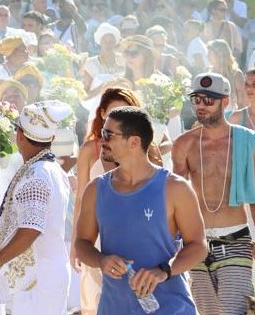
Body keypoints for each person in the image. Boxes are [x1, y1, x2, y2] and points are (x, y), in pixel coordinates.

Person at [75, 106, 206, 315]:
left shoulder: (175, 188)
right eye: (102, 133)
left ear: (134, 142)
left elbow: (198, 246)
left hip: (171, 308)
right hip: (114, 308)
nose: (102, 141)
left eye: (109, 135)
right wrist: (101, 260)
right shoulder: (96, 189)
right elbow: (81, 243)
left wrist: (163, 271)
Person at [72, 86, 162, 315]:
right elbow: (81, 200)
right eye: (114, 112)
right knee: (95, 302)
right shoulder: (89, 150)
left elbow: (157, 199)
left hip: (138, 239)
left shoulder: (149, 152)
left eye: (126, 110)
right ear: (102, 114)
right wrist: (76, 244)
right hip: (97, 236)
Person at [0, 100, 73, 312]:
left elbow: (31, 229)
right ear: (52, 139)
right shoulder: (50, 169)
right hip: (43, 275)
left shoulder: (36, 174)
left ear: (20, 136)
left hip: (38, 279)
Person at [172, 73, 255, 315]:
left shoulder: (247, 141)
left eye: (209, 100)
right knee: (207, 312)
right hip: (196, 241)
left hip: (235, 238)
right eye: (196, 99)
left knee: (234, 311)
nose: (201, 105)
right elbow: (175, 197)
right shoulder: (184, 144)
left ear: (225, 102)